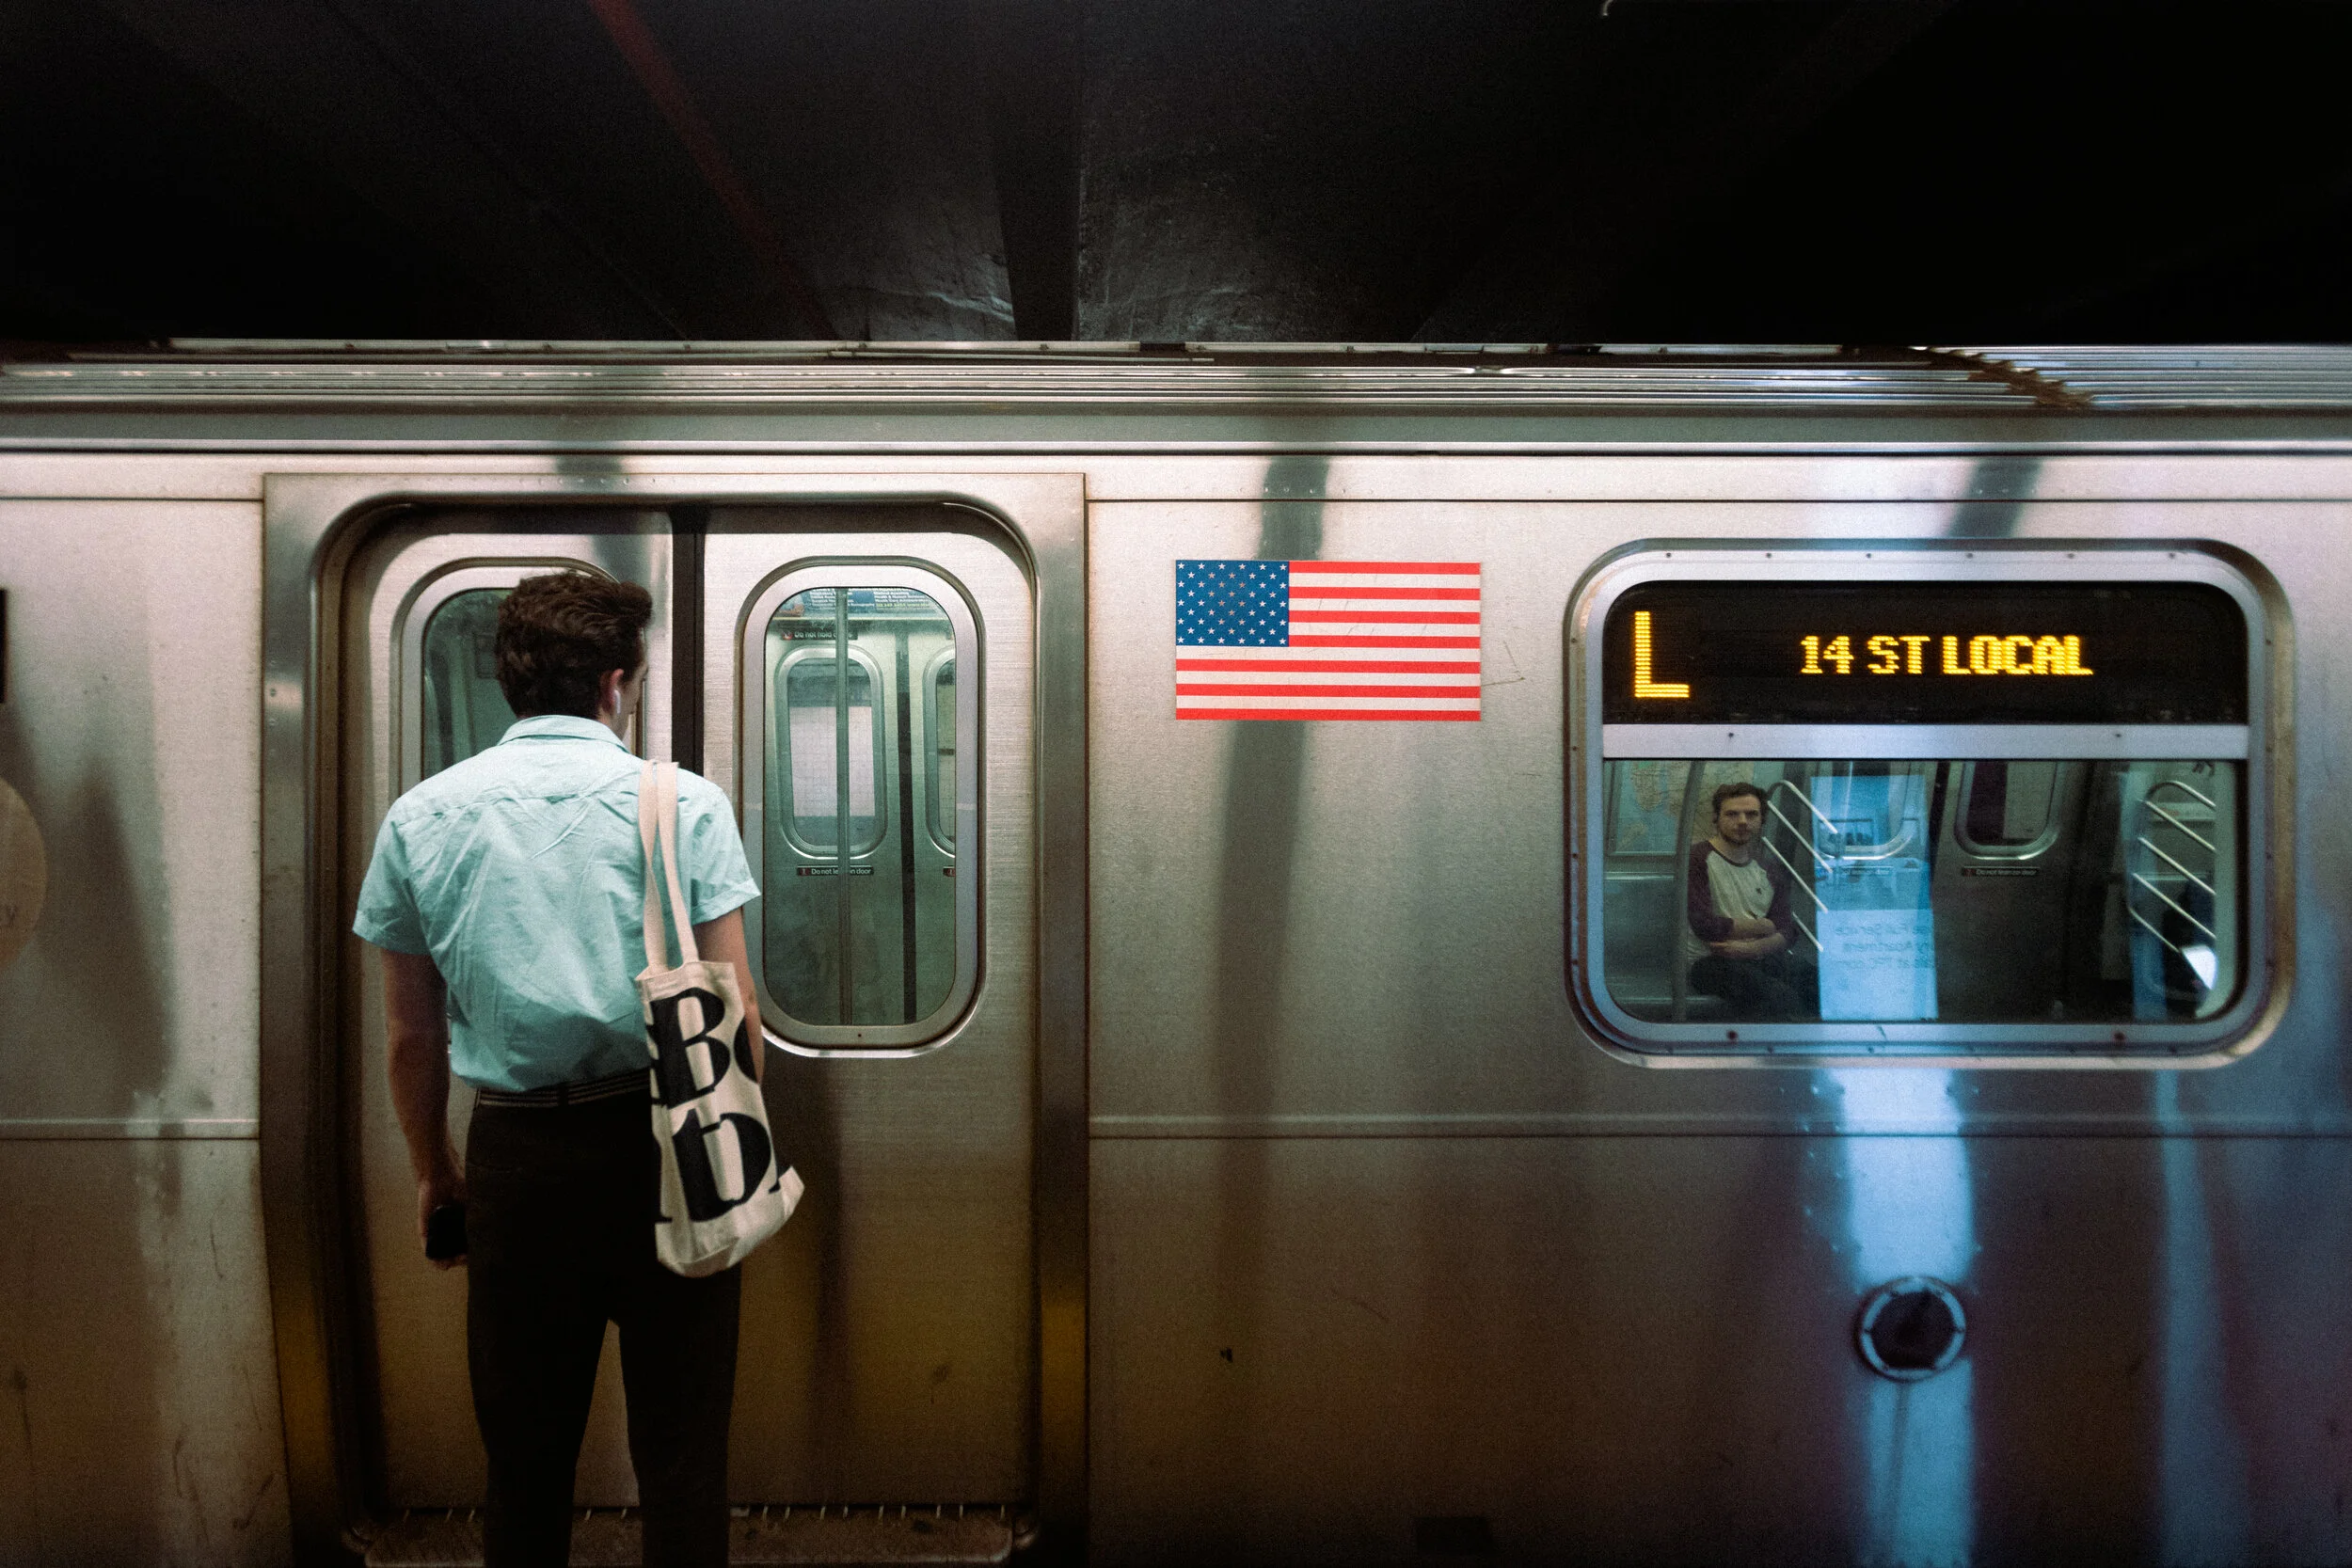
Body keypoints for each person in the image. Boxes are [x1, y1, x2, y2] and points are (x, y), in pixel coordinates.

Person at [354, 570, 763, 1568]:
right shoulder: (685, 803)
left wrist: (435, 1172)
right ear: (614, 682)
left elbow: (412, 1035)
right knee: (681, 1452)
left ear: (509, 680)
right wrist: (735, 1162)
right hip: (666, 1141)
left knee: (525, 1456)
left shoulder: (422, 816)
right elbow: (736, 1011)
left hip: (518, 1154)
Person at [1685, 781, 1817, 1021]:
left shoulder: (1768, 868)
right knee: (1779, 998)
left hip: (1757, 955)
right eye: (1732, 814)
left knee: (1819, 984)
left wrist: (1752, 948)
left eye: (1751, 814)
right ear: (1716, 818)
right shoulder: (1698, 859)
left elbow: (1789, 930)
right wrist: (1764, 926)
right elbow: (1703, 924)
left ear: (1762, 820)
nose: (1743, 821)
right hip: (1710, 962)